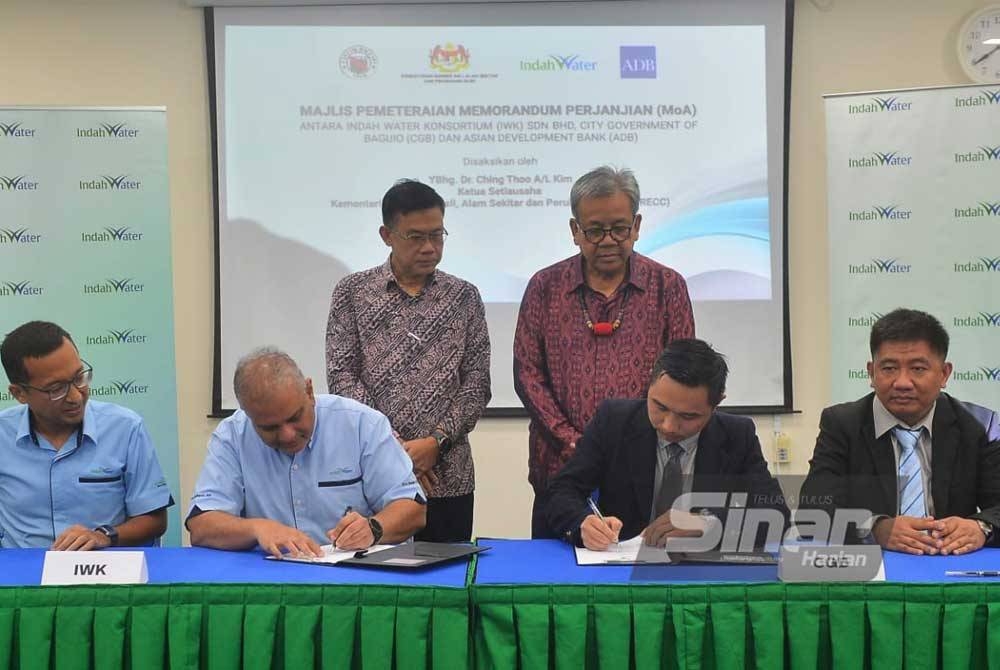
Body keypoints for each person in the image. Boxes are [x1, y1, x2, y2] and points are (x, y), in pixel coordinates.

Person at [514, 166, 695, 538]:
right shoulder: (544, 287)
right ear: (575, 230)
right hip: (560, 471)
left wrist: (635, 440)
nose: (608, 240)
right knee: (555, 586)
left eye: (620, 228)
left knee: (639, 584)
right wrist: (574, 441)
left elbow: (682, 376)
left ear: (637, 225)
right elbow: (528, 374)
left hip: (642, 468)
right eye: (594, 230)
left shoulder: (667, 287)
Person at [326, 179, 490, 542]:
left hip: (447, 476)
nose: (429, 247)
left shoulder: (463, 297)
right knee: (372, 584)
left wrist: (435, 443)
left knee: (446, 584)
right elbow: (342, 377)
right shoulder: (352, 293)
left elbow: (477, 383)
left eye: (438, 235)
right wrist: (393, 448)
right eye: (415, 237)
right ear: (387, 234)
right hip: (372, 472)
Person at [545, 338, 786, 550]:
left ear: (716, 404)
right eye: (660, 407)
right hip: (623, 569)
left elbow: (777, 514)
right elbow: (561, 492)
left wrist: (708, 525)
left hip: (701, 575)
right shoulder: (614, 421)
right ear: (649, 386)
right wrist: (583, 523)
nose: (669, 426)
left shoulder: (737, 435)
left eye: (688, 416)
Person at [188, 347, 426, 556]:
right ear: (247, 414)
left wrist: (374, 528)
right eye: (269, 428)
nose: (287, 435)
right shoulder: (232, 436)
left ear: (309, 392)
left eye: (294, 418)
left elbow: (413, 509)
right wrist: (257, 528)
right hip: (271, 581)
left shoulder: (362, 425)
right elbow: (202, 526)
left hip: (357, 578)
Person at [800, 308, 1000, 555]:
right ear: (871, 372)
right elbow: (812, 513)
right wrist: (875, 528)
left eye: (917, 369)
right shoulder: (842, 424)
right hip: (875, 567)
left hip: (948, 561)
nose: (902, 382)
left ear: (944, 373)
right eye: (889, 368)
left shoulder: (979, 425)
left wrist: (981, 527)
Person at [0, 320, 172, 549]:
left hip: (103, 574)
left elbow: (154, 520)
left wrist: (104, 536)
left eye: (79, 377)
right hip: (23, 577)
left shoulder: (125, 428)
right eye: (56, 389)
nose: (76, 396)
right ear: (19, 393)